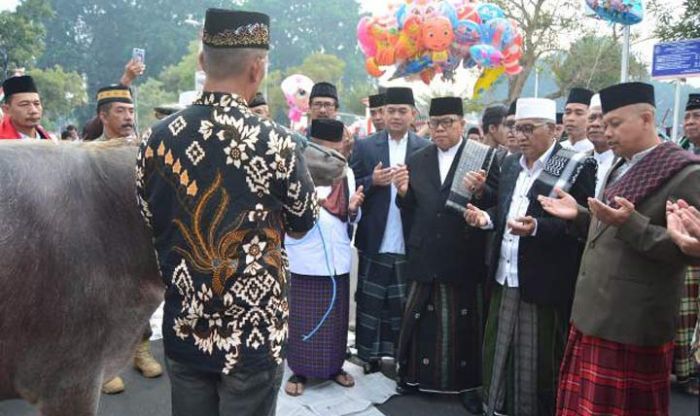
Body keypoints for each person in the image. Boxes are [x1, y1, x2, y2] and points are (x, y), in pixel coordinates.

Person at [136, 8, 318, 416]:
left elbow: (150, 219)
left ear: (202, 62)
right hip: (254, 334)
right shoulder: (279, 143)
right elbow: (304, 224)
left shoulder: (154, 140)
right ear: (257, 69)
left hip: (186, 324)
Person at [536, 82, 700, 416]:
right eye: (604, 123)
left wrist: (630, 224)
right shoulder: (619, 164)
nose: (606, 132)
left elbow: (685, 251)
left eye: (615, 124)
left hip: (632, 320)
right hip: (593, 311)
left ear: (646, 118)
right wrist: (580, 216)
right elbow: (609, 228)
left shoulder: (685, 172)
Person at [464, 98, 596, 416]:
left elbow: (583, 226)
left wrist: (537, 227)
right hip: (504, 274)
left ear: (553, 130)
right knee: (497, 348)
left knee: (538, 359)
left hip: (543, 279)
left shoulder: (575, 165)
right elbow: (506, 207)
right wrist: (486, 217)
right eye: (516, 128)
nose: (520, 136)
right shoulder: (509, 164)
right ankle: (495, 406)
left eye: (528, 129)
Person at [394, 97, 498, 413]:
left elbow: (496, 203)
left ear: (461, 124)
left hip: (462, 253)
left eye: (447, 122)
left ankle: (467, 386)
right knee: (420, 320)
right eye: (434, 122)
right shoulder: (418, 157)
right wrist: (402, 193)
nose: (439, 129)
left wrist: (481, 192)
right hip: (426, 252)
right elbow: (410, 207)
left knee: (464, 324)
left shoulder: (484, 158)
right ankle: (412, 378)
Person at [350, 86, 430, 373]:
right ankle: (368, 356)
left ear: (413, 115)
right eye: (391, 111)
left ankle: (401, 357)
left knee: (400, 304)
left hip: (407, 237)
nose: (396, 116)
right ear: (382, 113)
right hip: (375, 235)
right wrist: (373, 181)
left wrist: (407, 190)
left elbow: (428, 196)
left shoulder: (424, 149)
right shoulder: (366, 146)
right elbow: (352, 183)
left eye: (402, 111)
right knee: (371, 302)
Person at [284, 119, 365, 397]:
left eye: (335, 149)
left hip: (337, 257)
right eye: (326, 149)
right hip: (304, 258)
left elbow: (351, 215)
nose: (331, 155)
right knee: (302, 319)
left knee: (335, 320)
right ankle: (299, 370)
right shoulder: (295, 169)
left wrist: (354, 208)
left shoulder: (346, 172)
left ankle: (334, 367)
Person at [92, 84, 163, 395]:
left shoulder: (143, 148)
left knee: (143, 299)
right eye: (120, 111)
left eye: (131, 110)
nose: (127, 117)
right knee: (104, 306)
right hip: (103, 244)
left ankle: (140, 351)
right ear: (103, 116)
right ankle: (104, 365)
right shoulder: (89, 152)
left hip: (141, 240)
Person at [0, 75, 51, 140]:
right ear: (6, 109)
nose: (33, 111)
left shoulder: (49, 140)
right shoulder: (2, 141)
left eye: (36, 104)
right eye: (24, 104)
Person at [586, 94, 615, 196]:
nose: (595, 124)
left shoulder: (623, 164)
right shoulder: (578, 161)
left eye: (602, 118)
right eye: (591, 118)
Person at [561, 88, 594, 153]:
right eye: (567, 112)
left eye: (579, 113)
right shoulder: (556, 150)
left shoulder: (595, 152)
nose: (570, 118)